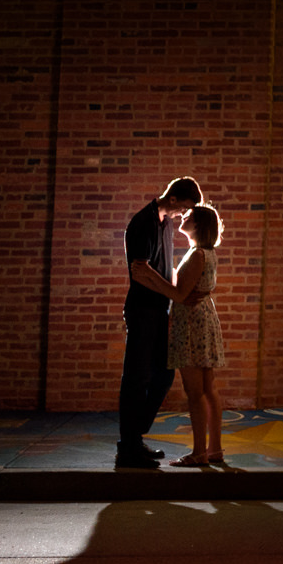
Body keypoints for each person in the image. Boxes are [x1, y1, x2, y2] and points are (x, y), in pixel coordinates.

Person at [115, 177, 205, 470]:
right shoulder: (143, 222)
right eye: (186, 208)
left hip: (159, 311)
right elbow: (140, 272)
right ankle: (128, 448)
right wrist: (174, 293)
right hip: (142, 311)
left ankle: (133, 437)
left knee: (163, 375)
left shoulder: (165, 222)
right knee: (136, 378)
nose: (185, 215)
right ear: (175, 199)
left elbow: (163, 270)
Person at [136, 204, 228, 468]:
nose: (183, 217)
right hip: (202, 319)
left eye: (189, 216)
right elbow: (184, 290)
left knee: (195, 391)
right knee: (208, 388)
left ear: (198, 225)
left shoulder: (197, 254)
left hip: (192, 325)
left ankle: (199, 452)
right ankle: (215, 449)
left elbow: (178, 295)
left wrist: (147, 274)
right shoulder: (205, 252)